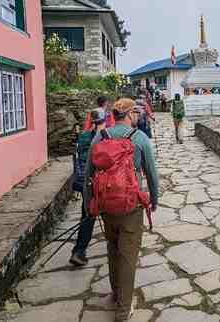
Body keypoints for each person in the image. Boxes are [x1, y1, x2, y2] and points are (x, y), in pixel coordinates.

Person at [85, 98, 159, 321]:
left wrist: (91, 203)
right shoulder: (140, 138)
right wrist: (154, 199)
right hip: (131, 205)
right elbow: (152, 173)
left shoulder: (101, 136)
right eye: (135, 112)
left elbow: (89, 172)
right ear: (128, 115)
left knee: (112, 248)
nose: (137, 115)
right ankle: (124, 309)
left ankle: (116, 293)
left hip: (107, 205)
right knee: (128, 255)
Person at [69, 108, 108, 266]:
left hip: (83, 182)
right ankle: (116, 247)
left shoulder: (82, 137)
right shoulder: (102, 138)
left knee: (87, 216)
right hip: (97, 182)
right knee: (108, 212)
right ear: (103, 122)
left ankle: (79, 251)